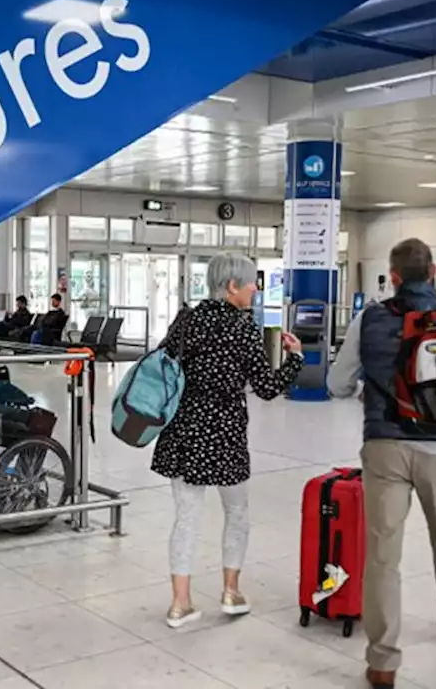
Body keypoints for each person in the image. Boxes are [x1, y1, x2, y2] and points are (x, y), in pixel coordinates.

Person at [327, 238, 436, 689]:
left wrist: (368, 392)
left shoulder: (371, 317)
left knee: (383, 556)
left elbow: (338, 382)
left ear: (393, 276)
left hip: (384, 449)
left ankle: (382, 661)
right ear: (434, 271)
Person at [152, 253, 304, 628]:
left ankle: (179, 603)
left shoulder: (186, 319)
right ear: (233, 286)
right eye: (252, 282)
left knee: (186, 518)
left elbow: (164, 367)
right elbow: (267, 388)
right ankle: (231, 592)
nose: (256, 289)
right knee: (237, 512)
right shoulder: (243, 327)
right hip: (224, 433)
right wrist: (295, 358)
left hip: (183, 431)